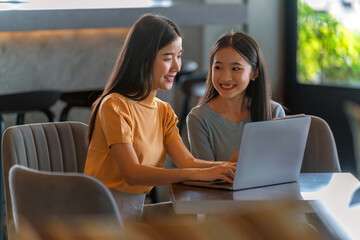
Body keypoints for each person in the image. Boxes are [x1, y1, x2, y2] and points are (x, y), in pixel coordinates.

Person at [84, 14, 235, 222]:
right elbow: (133, 173)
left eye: (179, 56)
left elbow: (187, 161)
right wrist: (198, 174)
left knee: (191, 218)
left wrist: (224, 168)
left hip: (135, 211)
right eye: (167, 58)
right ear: (143, 60)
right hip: (103, 217)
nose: (177, 67)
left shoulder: (163, 111)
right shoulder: (114, 105)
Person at [187, 32, 285, 162]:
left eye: (235, 69)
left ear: (254, 73)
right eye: (218, 67)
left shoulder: (274, 112)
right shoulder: (198, 118)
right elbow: (207, 177)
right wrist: (233, 163)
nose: (225, 77)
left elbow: (282, 166)